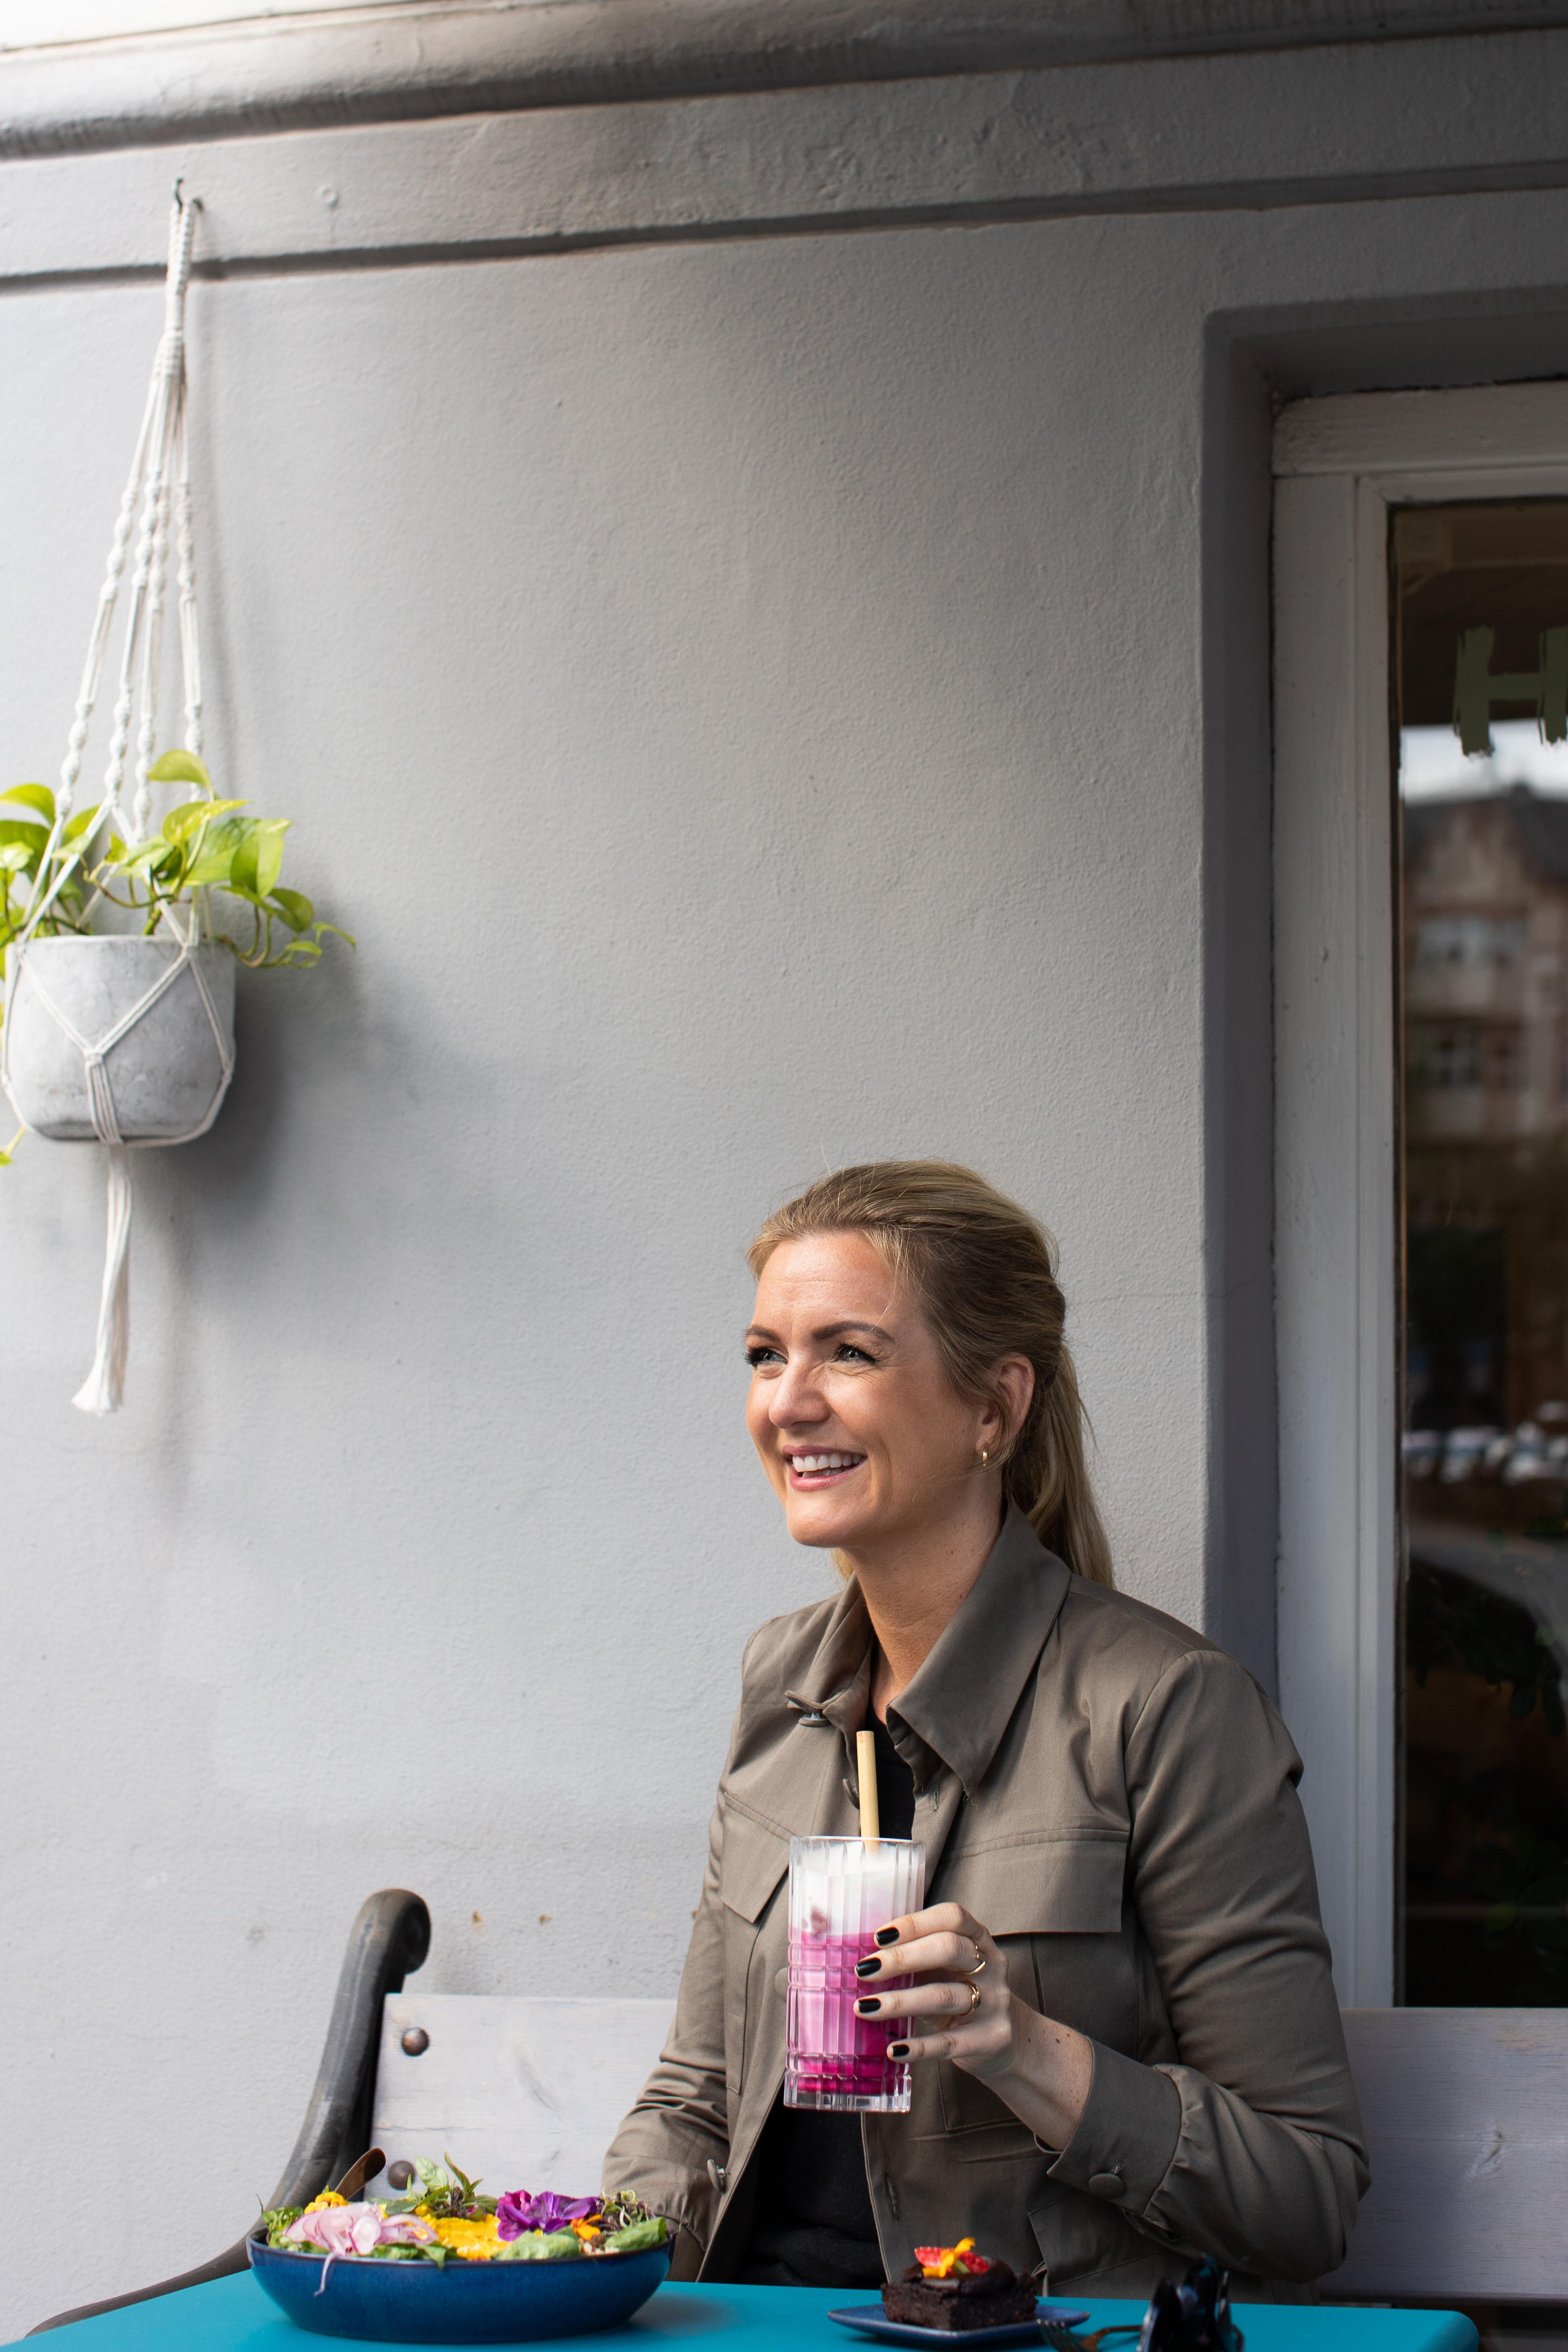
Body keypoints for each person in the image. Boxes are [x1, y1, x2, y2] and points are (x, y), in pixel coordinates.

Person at [603, 1162, 1366, 2299]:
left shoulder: (1165, 1709)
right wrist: (575, 2269)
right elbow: (696, 2099)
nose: (788, 1402)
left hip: (1012, 2335)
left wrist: (1026, 2050)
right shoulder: (783, 1683)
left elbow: (1303, 2196)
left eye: (848, 1352)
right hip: (759, 2323)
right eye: (767, 1355)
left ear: (994, 1409)